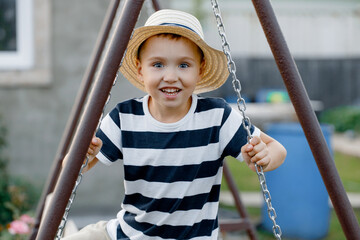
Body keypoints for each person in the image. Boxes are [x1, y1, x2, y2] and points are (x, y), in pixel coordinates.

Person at [63, 9, 286, 240]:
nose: (170, 76)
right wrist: (83, 154)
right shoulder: (125, 117)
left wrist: (264, 157)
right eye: (158, 65)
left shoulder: (217, 117)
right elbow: (71, 169)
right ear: (141, 70)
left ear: (200, 70)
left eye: (183, 65)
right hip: (129, 234)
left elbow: (277, 149)